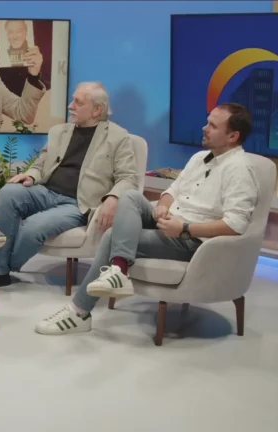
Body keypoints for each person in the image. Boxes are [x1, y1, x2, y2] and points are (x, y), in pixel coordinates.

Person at [35, 102, 259, 335]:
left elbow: (236, 225)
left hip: (191, 240)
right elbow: (172, 191)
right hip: (170, 221)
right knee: (129, 196)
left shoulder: (240, 169)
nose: (204, 128)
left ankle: (80, 311)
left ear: (233, 136)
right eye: (207, 121)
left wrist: (184, 228)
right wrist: (162, 206)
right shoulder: (200, 158)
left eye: (213, 126)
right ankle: (118, 272)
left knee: (112, 236)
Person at [0, 82, 139, 292]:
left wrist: (113, 198)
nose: (70, 106)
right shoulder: (59, 132)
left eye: (78, 102)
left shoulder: (118, 137)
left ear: (97, 110)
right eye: (72, 100)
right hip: (46, 192)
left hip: (77, 204)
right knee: (8, 192)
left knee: (33, 227)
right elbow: (40, 164)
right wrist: (31, 175)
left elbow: (128, 177)